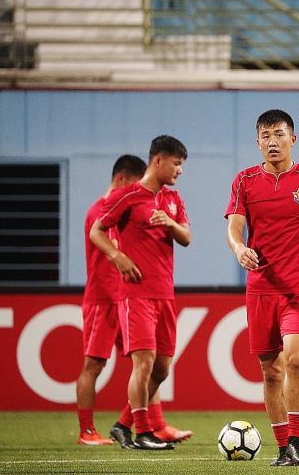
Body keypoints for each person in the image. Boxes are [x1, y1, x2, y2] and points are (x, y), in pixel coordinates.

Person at [226, 109, 299, 466]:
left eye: (279, 134)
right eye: (266, 136)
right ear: (258, 142)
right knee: (271, 372)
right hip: (261, 289)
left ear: (293, 139)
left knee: (297, 359)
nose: (272, 142)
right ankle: (283, 447)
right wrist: (239, 248)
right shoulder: (244, 181)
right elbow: (235, 227)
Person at [76, 155, 192, 448]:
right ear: (122, 181)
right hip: (106, 299)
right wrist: (119, 256)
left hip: (131, 295)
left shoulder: (159, 200)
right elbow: (106, 243)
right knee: (98, 364)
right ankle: (89, 430)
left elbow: (183, 237)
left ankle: (150, 423)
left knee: (152, 364)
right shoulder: (103, 211)